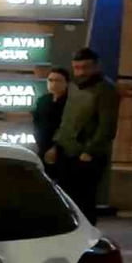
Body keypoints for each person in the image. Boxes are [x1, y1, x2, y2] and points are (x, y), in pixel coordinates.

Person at [46, 47, 119, 224]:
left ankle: (88, 241)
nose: (80, 72)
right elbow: (67, 119)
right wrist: (56, 145)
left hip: (87, 156)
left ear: (96, 67)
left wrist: (90, 151)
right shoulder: (74, 87)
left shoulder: (106, 91)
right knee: (67, 201)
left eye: (85, 67)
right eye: (77, 67)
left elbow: (107, 126)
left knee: (85, 202)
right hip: (66, 151)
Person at [32, 67, 69, 177]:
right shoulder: (43, 100)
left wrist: (56, 147)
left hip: (63, 150)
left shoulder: (70, 103)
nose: (53, 84)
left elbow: (68, 127)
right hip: (42, 147)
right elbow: (36, 123)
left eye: (58, 80)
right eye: (50, 80)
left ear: (66, 83)